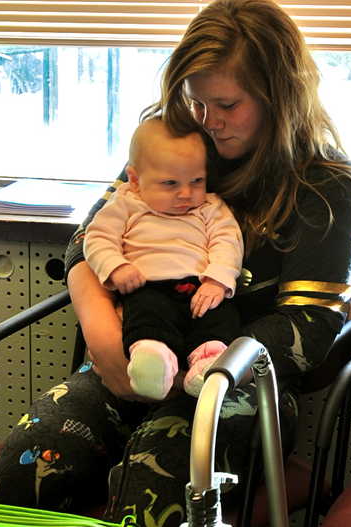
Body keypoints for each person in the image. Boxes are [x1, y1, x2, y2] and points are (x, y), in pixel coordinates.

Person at [0, 0, 351, 527]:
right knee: (15, 482)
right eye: (197, 101)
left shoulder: (326, 188)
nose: (210, 122)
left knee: (149, 494)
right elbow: (89, 244)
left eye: (228, 104)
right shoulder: (178, 143)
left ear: (280, 96)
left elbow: (308, 330)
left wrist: (206, 370)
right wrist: (107, 344)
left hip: (232, 384)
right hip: (134, 358)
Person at [83, 117, 243, 400]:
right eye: (170, 183)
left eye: (197, 181)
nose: (186, 193)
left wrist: (217, 280)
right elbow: (97, 238)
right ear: (135, 180)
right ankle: (153, 358)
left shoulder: (210, 206)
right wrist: (116, 266)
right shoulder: (127, 201)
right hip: (148, 285)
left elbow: (228, 241)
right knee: (146, 315)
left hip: (200, 287)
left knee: (220, 317)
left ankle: (207, 363)